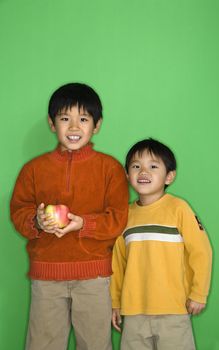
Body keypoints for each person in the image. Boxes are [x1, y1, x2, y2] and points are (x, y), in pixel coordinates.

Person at [10, 82, 129, 350]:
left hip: (94, 277)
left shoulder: (110, 169)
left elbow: (118, 218)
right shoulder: (33, 169)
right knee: (43, 344)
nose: (74, 127)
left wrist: (83, 224)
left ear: (96, 125)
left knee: (95, 344)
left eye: (83, 119)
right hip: (46, 277)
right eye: (65, 119)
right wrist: (37, 221)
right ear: (52, 124)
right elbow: (19, 211)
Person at [110, 138, 212, 350]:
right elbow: (117, 264)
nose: (143, 172)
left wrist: (198, 293)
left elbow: (201, 251)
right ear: (128, 175)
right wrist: (115, 303)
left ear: (169, 176)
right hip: (134, 312)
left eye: (153, 166)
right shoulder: (124, 215)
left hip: (173, 310)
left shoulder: (179, 208)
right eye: (136, 166)